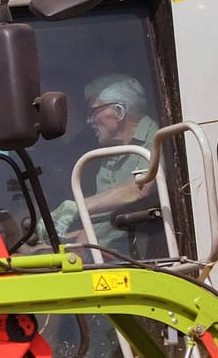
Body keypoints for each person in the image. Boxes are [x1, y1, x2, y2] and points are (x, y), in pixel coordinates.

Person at [50, 73, 160, 256]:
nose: (89, 120)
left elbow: (139, 189)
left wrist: (78, 207)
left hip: (135, 256)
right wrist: (76, 252)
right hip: (103, 256)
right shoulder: (110, 153)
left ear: (119, 111)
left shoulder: (156, 139)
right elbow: (101, 216)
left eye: (94, 112)